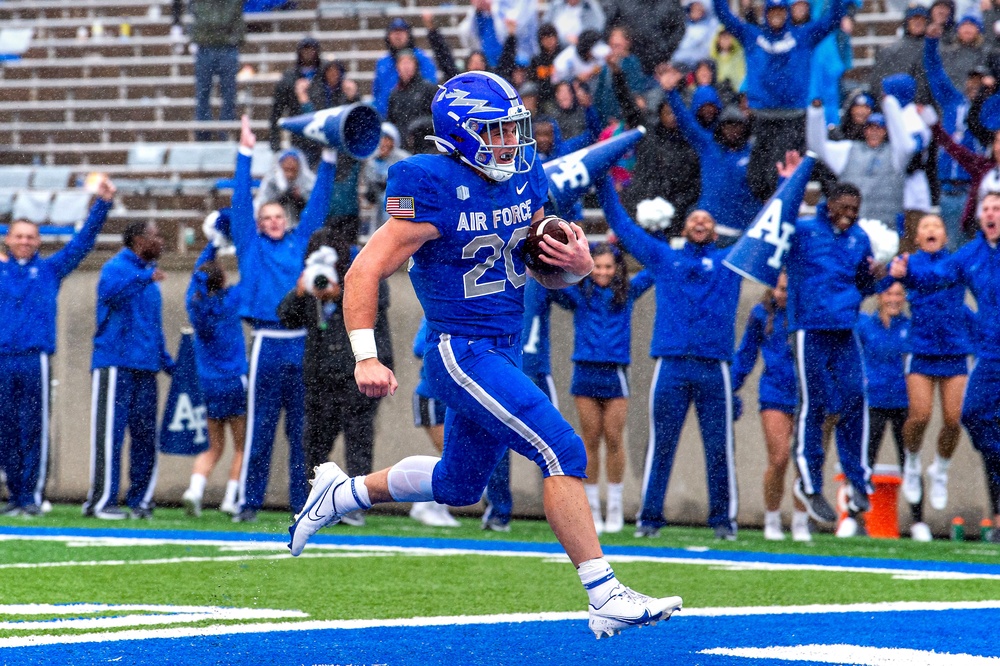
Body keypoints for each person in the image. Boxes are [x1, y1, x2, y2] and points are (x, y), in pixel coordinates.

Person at [289, 71, 682, 638]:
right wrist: (365, 356)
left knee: (458, 485)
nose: (509, 142)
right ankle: (604, 593)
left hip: (501, 347)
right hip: (458, 349)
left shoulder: (523, 172)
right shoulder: (427, 181)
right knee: (563, 449)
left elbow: (538, 271)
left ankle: (342, 492)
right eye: (494, 131)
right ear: (460, 133)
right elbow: (364, 270)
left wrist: (571, 270)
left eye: (511, 129)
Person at [596, 178, 742, 541]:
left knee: (719, 447)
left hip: (715, 366)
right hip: (671, 364)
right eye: (695, 218)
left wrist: (787, 186)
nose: (700, 223)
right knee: (661, 443)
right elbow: (624, 228)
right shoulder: (665, 258)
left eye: (707, 220)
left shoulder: (732, 261)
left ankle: (723, 521)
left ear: (715, 230)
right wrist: (603, 184)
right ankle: (649, 519)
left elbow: (767, 228)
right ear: (683, 226)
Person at [230, 115, 336, 523]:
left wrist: (327, 156)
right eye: (266, 218)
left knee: (301, 431)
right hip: (266, 343)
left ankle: (301, 504)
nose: (274, 222)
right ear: (258, 223)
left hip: (301, 341)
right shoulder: (250, 245)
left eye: (279, 217)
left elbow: (320, 204)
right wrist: (245, 153)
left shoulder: (299, 240)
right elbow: (241, 200)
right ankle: (248, 502)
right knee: (259, 428)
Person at [0, 178, 114, 517]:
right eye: (18, 236)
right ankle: (15, 496)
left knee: (33, 428)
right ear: (8, 239)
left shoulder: (50, 269)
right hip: (2, 359)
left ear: (38, 241)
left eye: (30, 236)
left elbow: (82, 243)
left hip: (35, 359)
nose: (24, 241)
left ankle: (32, 496)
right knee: (5, 429)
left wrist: (102, 206)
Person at [890, 192, 1000, 542]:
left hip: (963, 349)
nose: (990, 213)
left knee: (959, 417)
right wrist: (905, 277)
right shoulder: (969, 254)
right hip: (987, 353)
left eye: (996, 208)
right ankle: (927, 463)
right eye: (985, 209)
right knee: (969, 415)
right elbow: (935, 278)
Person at [781, 155, 885, 526]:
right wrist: (787, 187)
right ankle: (808, 484)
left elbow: (866, 284)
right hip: (809, 328)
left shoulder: (860, 238)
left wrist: (880, 276)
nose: (850, 213)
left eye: (855, 209)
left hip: (845, 328)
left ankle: (858, 481)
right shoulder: (804, 231)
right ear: (828, 204)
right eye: (844, 207)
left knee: (856, 397)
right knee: (816, 403)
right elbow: (772, 231)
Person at [278, 229, 393, 528]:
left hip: (357, 373)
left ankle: (353, 504)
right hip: (319, 375)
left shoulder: (363, 274)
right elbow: (285, 315)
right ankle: (315, 502)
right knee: (314, 441)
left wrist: (341, 292)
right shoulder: (313, 280)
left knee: (358, 439)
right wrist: (301, 290)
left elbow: (379, 302)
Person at [551, 244, 654, 534]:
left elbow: (656, 267)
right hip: (584, 372)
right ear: (589, 266)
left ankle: (616, 506)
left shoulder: (628, 293)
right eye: (598, 266)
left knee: (613, 438)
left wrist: (656, 232)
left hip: (615, 373)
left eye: (609, 266)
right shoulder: (580, 294)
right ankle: (592, 506)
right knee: (590, 439)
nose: (603, 272)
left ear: (618, 268)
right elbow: (553, 285)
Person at [712, 0, 848, 201]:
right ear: (766, 13)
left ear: (787, 13)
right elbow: (724, 16)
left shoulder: (803, 36)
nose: (777, 16)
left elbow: (833, 19)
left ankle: (792, 209)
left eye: (781, 11)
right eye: (772, 11)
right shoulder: (752, 36)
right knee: (757, 177)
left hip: (793, 118)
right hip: (762, 117)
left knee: (781, 173)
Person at [83, 220, 174, 520]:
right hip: (115, 363)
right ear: (138, 240)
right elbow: (111, 295)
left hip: (146, 367)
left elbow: (153, 326)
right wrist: (145, 278)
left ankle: (141, 500)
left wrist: (166, 361)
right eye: (155, 235)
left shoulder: (148, 278)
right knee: (110, 435)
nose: (160, 240)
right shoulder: (116, 267)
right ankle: (102, 501)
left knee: (146, 436)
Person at [891, 215, 972, 517]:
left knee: (953, 419)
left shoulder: (957, 261)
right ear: (916, 237)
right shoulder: (908, 261)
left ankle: (941, 468)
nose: (931, 230)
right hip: (922, 348)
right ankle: (912, 461)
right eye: (925, 227)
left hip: (954, 349)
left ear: (945, 235)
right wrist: (894, 272)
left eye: (937, 226)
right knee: (920, 415)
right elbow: (886, 278)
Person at [731, 273, 812, 542]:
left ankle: (801, 521)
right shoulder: (761, 314)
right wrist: (731, 387)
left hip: (805, 395)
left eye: (789, 289)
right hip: (774, 392)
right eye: (780, 289)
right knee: (778, 459)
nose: (784, 294)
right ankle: (773, 517)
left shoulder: (809, 313)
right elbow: (746, 354)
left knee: (805, 462)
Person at [181, 238, 248, 518]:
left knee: (213, 445)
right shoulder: (232, 300)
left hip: (207, 383)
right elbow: (252, 269)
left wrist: (211, 244)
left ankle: (195, 490)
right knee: (242, 446)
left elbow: (198, 276)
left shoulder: (196, 308)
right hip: (234, 380)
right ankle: (231, 499)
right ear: (222, 280)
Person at [659, 64, 758, 243]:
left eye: (737, 126)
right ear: (721, 128)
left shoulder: (754, 153)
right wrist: (671, 92)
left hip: (744, 233)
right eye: (728, 126)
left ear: (745, 128)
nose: (732, 131)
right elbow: (686, 122)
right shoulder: (709, 146)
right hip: (711, 230)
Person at [854, 281, 914, 539]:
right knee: (864, 460)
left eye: (899, 294)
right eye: (889, 293)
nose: (893, 299)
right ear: (879, 296)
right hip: (873, 401)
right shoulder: (865, 325)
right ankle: (855, 516)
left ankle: (918, 521)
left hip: (904, 402)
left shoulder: (910, 327)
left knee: (909, 462)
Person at [409, 318, 462, 529]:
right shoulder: (438, 314)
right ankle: (422, 504)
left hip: (454, 396)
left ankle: (438, 506)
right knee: (448, 453)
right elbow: (419, 347)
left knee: (456, 457)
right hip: (432, 395)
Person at [189, 0, 245, 141]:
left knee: (229, 93)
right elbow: (205, 19)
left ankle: (225, 132)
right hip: (206, 47)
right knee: (202, 93)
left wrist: (231, 37)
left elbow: (230, 18)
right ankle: (203, 133)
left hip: (227, 46)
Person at [269, 37, 322, 164]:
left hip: (322, 137)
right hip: (300, 138)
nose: (308, 53)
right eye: (305, 50)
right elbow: (276, 111)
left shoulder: (324, 75)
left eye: (312, 50)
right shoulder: (289, 78)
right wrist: (275, 143)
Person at [371, 18, 437, 118]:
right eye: (395, 32)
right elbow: (377, 92)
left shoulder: (421, 58)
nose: (398, 36)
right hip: (389, 118)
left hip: (416, 118)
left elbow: (430, 86)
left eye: (401, 32)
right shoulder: (382, 62)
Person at [358, 123, 410, 237]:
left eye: (387, 139)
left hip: (399, 206)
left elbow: (410, 188)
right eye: (380, 139)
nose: (383, 143)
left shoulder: (404, 159)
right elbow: (365, 188)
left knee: (398, 236)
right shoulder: (370, 160)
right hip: (377, 211)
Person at [253, 149, 316, 227]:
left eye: (293, 169)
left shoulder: (308, 182)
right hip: (274, 226)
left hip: (301, 227)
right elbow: (262, 204)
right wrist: (282, 195)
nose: (290, 164)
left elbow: (315, 207)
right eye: (286, 169)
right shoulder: (272, 181)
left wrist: (300, 198)